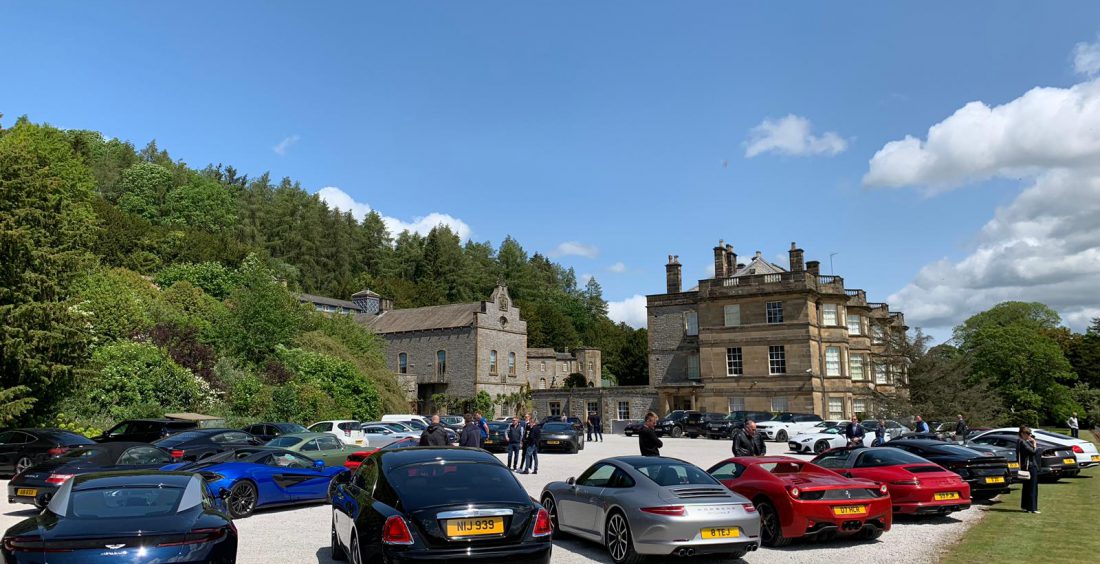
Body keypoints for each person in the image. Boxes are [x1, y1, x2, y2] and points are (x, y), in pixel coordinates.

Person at [1017, 426, 1040, 514]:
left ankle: (1025, 506)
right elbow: (1033, 452)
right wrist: (1034, 443)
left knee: (1027, 487)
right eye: (1028, 434)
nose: (1029, 436)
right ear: (1023, 433)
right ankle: (1032, 508)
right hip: (1029, 466)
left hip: (1027, 466)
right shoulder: (1022, 442)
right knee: (1032, 487)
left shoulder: (1022, 442)